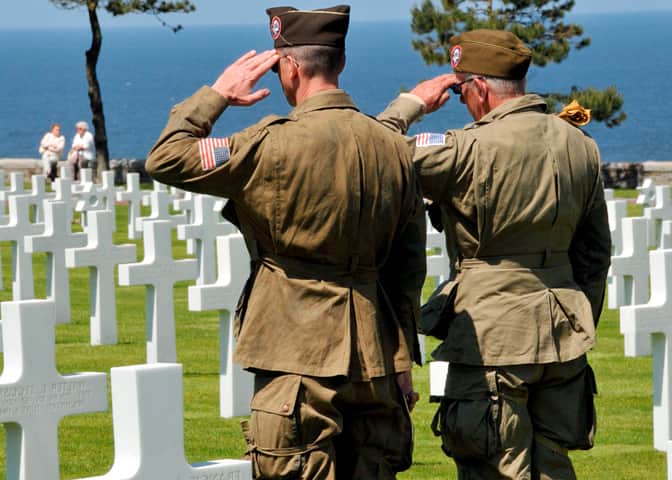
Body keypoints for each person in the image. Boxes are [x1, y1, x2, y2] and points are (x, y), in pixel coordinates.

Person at [145, 5, 426, 479]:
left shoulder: (269, 143)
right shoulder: (393, 147)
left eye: (279, 67)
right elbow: (407, 262)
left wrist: (216, 96)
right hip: (375, 359)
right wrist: (400, 359)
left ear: (290, 67)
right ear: (339, 62)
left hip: (293, 350)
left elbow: (165, 158)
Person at [378, 29, 611, 479]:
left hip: (491, 336)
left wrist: (411, 104)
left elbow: (368, 152)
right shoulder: (580, 145)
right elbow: (595, 253)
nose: (464, 102)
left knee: (494, 467)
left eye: (463, 90)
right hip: (562, 333)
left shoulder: (466, 149)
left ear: (479, 88)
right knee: (553, 466)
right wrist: (579, 319)